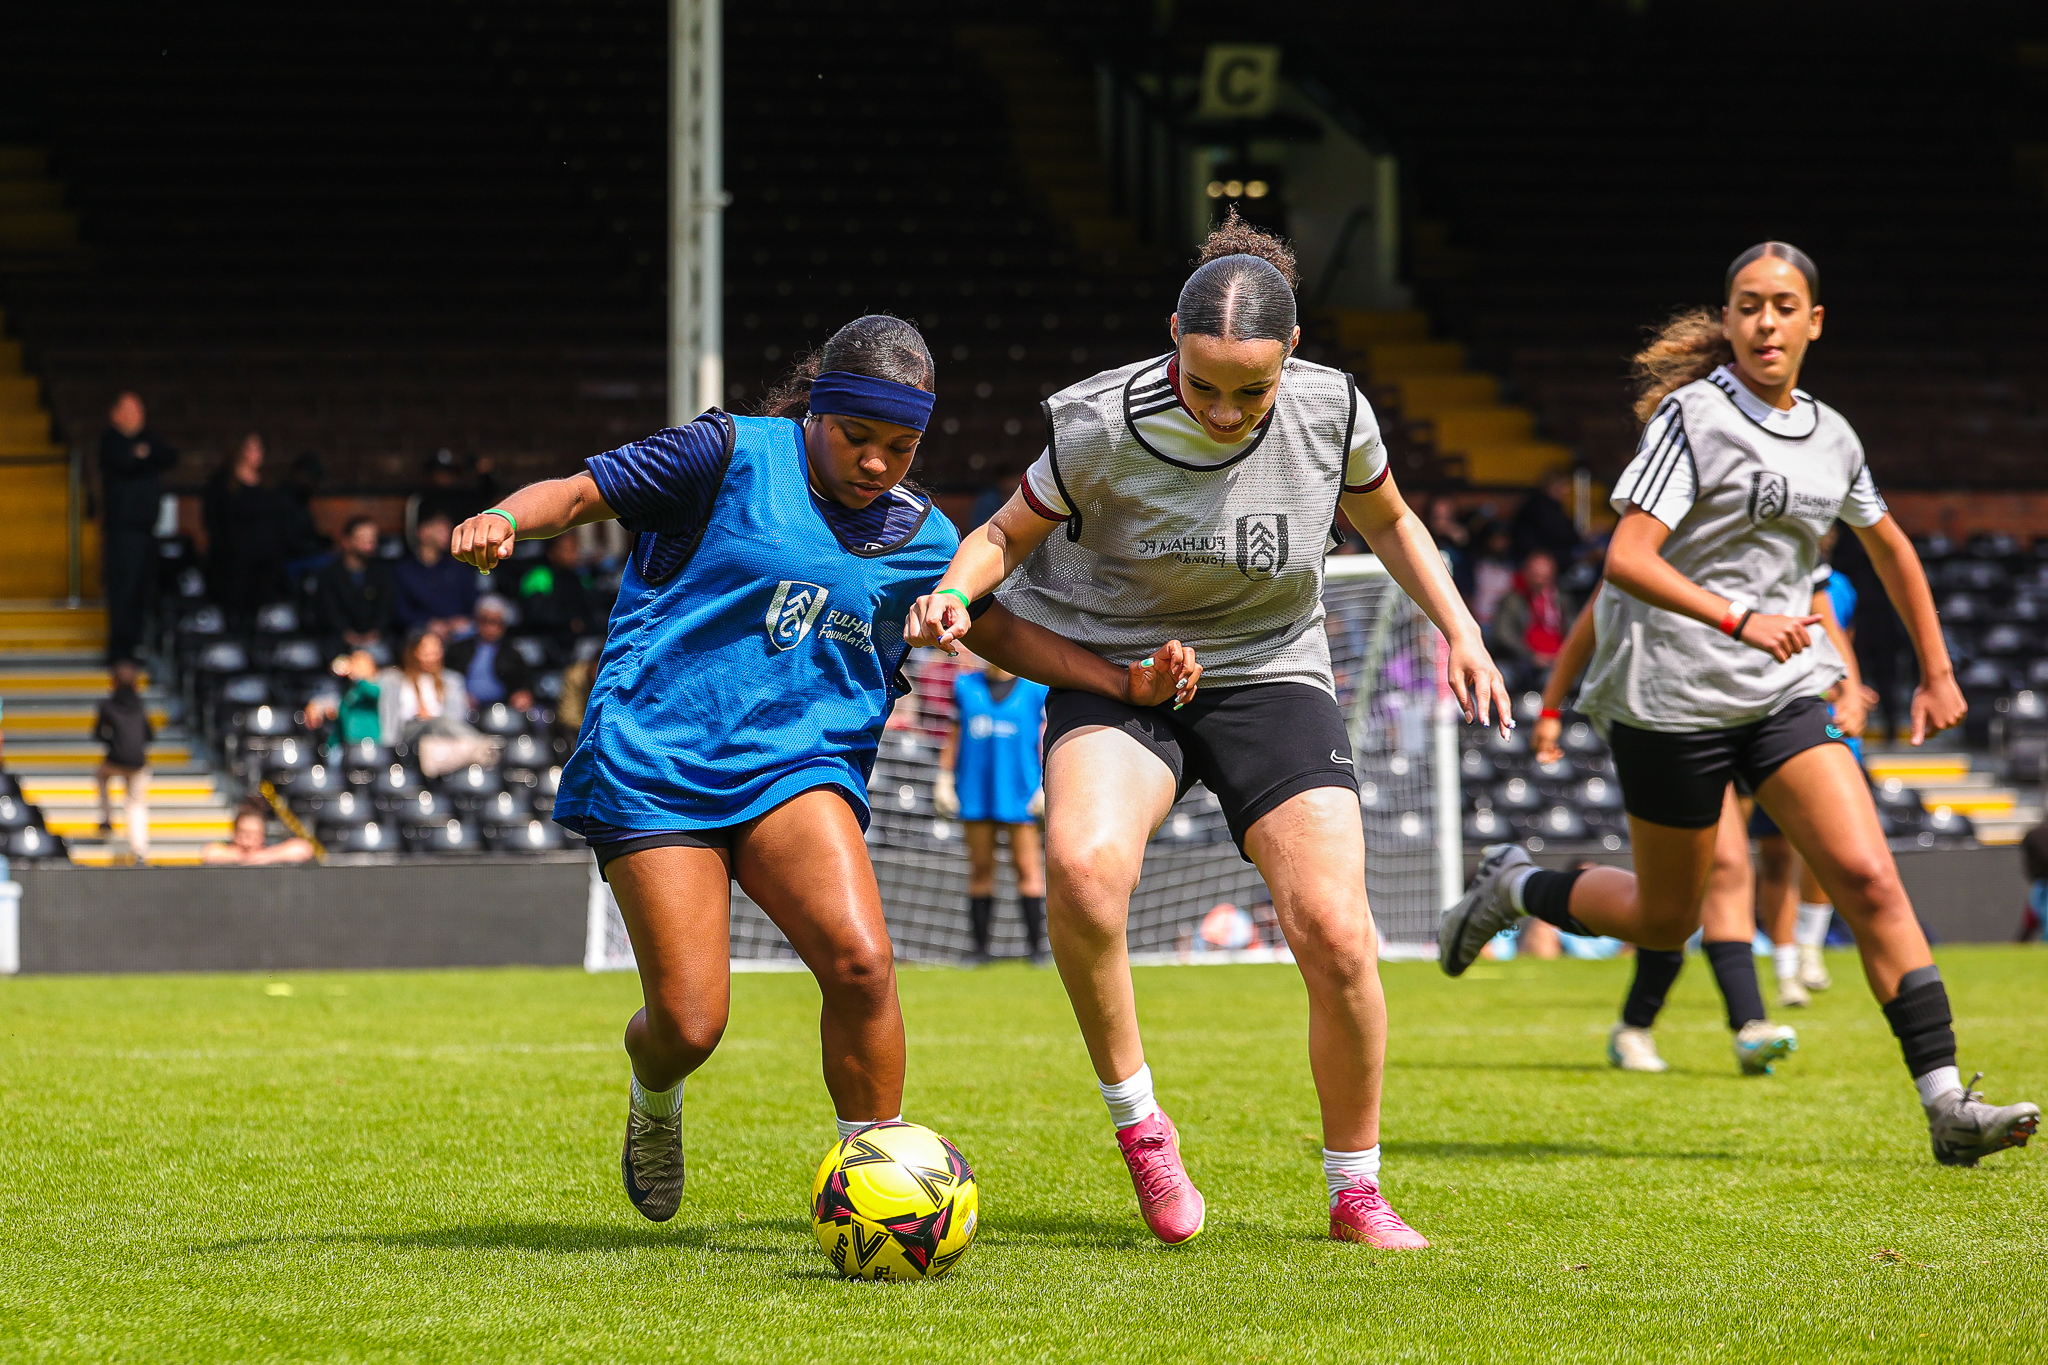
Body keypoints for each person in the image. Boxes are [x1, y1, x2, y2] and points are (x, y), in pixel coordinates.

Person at [447, 314, 1200, 1228]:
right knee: (690, 1024)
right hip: (655, 763)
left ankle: (879, 1192)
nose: (877, 462)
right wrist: (503, 518)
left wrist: (1122, 681)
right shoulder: (726, 453)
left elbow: (999, 630)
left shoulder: (924, 536)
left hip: (798, 768)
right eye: (856, 436)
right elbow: (575, 496)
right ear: (816, 411)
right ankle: (655, 1094)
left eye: (901, 446)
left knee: (862, 964)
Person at [905, 214, 1511, 1250]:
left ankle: (1356, 1190)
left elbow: (1391, 520)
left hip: (1269, 671)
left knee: (1337, 930)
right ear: (1171, 343)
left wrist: (1461, 629)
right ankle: (1142, 1127)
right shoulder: (1096, 423)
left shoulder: (1334, 410)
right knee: (1083, 868)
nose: (1226, 411)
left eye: (1252, 391)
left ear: (1292, 355)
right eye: (1204, 385)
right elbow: (1003, 532)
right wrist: (957, 593)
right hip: (1118, 670)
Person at [1443, 242, 2039, 1167]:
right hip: (1670, 697)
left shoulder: (1835, 437)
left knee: (1869, 877)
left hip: (1781, 692)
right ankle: (1514, 886)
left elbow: (1889, 547)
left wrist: (1936, 668)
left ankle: (1948, 1103)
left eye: (1784, 305)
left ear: (1814, 322)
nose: (1766, 322)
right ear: (1727, 319)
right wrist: (1739, 617)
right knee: (1663, 919)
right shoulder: (1694, 419)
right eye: (1749, 305)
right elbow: (1626, 558)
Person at [1530, 592, 1800, 1075]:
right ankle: (1519, 886)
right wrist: (1551, 708)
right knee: (1692, 886)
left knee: (1714, 876)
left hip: (1743, 710)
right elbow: (1597, 610)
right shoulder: (1650, 549)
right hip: (1667, 717)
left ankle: (1699, 1025)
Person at [935, 657, 1049, 963]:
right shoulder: (965, 686)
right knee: (980, 868)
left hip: (1020, 790)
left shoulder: (1035, 689)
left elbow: (1045, 739)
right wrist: (944, 777)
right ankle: (979, 951)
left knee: (1028, 868)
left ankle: (1037, 950)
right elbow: (954, 736)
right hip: (975, 790)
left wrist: (1045, 782)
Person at [98, 392, 177, 663]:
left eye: (139, 409)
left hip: (146, 530)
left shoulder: (149, 439)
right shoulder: (110, 441)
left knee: (143, 591)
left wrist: (144, 453)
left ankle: (136, 644)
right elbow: (125, 462)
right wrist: (142, 455)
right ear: (116, 414)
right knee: (124, 589)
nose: (137, 415)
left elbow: (169, 456)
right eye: (131, 409)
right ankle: (120, 650)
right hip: (123, 531)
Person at [202, 433, 292, 620]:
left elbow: (279, 518)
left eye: (259, 448)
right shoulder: (223, 484)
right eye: (252, 449)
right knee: (236, 609)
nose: (257, 454)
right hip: (234, 561)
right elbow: (213, 520)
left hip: (266, 561)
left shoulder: (269, 484)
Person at [377, 628, 491, 775]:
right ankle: (483, 745)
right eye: (426, 653)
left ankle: (476, 750)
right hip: (408, 732)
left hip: (441, 735)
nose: (431, 658)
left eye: (435, 652)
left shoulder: (452, 680)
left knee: (439, 723)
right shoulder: (392, 678)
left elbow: (456, 717)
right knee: (437, 722)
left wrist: (431, 717)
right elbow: (388, 715)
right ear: (413, 652)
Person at [92, 659, 152, 863]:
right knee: (136, 804)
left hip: (115, 759)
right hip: (138, 762)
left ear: (114, 682)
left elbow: (98, 734)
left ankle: (107, 818)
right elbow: (149, 734)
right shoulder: (140, 704)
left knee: (100, 776)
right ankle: (140, 850)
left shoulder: (107, 705)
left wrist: (114, 743)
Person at [312, 516, 395, 652]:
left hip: (377, 640)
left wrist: (375, 633)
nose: (370, 544)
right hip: (338, 641)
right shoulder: (329, 574)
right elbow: (328, 610)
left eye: (373, 538)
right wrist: (346, 634)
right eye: (363, 538)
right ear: (346, 541)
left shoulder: (383, 572)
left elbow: (386, 608)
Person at [1487, 549, 1565, 692]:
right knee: (1501, 676)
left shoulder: (1561, 601)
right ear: (1526, 573)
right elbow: (1503, 634)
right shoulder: (1512, 600)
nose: (1540, 581)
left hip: (1556, 661)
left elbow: (1574, 631)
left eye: (1545, 577)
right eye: (1536, 576)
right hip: (1519, 662)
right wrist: (1532, 656)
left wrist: (1562, 656)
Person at [443, 595, 536, 712]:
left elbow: (524, 683)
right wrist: (459, 696)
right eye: (486, 621)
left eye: (497, 622)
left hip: (502, 709)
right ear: (477, 621)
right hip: (463, 707)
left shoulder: (512, 654)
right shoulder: (458, 649)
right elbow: (447, 678)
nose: (491, 628)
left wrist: (523, 694)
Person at [392, 511, 477, 637]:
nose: (447, 534)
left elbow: (473, 602)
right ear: (423, 532)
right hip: (420, 629)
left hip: (458, 629)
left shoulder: (457, 568)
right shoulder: (404, 570)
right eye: (441, 529)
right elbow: (400, 611)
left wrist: (461, 620)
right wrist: (427, 622)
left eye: (449, 529)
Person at [305, 649, 383, 750]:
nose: (355, 666)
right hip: (346, 744)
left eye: (360, 664)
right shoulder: (349, 689)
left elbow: (372, 692)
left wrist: (360, 676)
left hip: (367, 744)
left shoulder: (373, 686)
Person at [202, 802, 315, 866]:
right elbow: (209, 853)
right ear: (234, 833)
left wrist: (268, 857)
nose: (247, 840)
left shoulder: (269, 851)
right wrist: (243, 858)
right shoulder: (226, 851)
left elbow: (303, 849)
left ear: (262, 836)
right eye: (243, 833)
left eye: (253, 834)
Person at [1510, 469, 1581, 568]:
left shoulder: (1549, 506)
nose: (1566, 490)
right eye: (1564, 485)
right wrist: (1581, 538)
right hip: (1534, 562)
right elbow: (1560, 534)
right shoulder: (1540, 506)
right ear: (1553, 486)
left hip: (1546, 559)